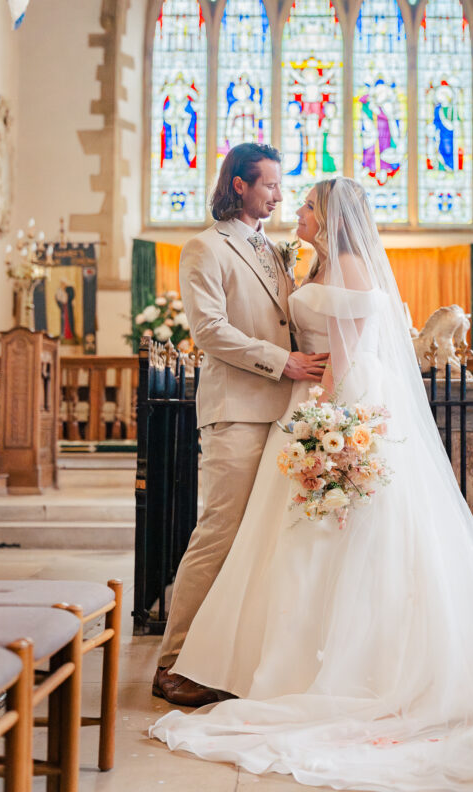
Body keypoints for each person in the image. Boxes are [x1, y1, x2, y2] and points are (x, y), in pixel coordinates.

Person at [152, 177, 473, 791]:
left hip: (337, 405)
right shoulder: (306, 262)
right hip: (305, 400)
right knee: (289, 542)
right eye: (291, 197)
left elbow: (351, 350)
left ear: (331, 215)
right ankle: (261, 662)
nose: (296, 210)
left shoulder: (349, 267)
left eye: (305, 203)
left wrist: (324, 420)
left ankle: (330, 669)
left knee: (337, 537)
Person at [152, 143, 328, 707]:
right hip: (236, 412)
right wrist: (284, 363)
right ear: (238, 186)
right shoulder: (205, 248)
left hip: (283, 413)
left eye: (280, 186)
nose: (279, 195)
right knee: (220, 534)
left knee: (261, 543)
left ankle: (230, 658)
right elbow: (208, 331)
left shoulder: (272, 251)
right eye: (270, 185)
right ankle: (173, 662)